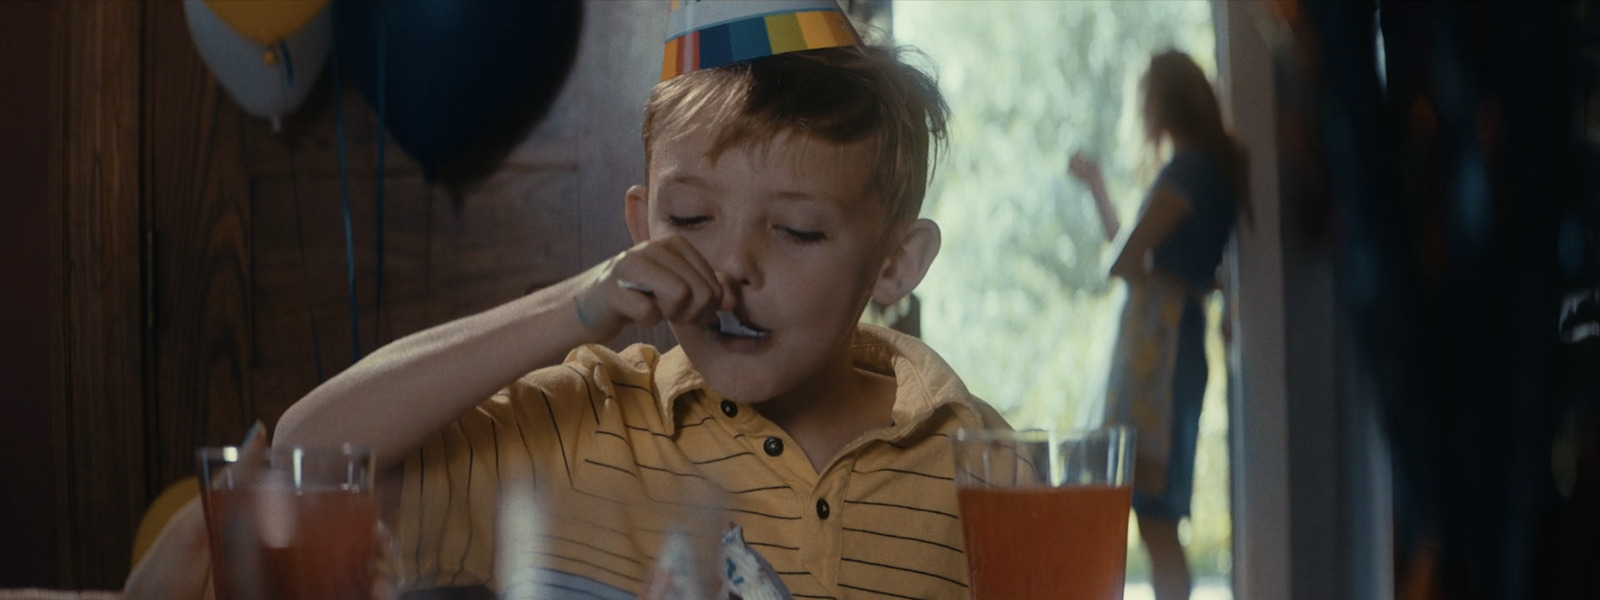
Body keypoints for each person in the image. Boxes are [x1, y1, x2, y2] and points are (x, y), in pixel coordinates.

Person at [248, 6, 998, 600]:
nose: (730, 265)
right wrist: (577, 304)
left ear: (896, 262)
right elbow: (304, 460)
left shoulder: (985, 468)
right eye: (691, 221)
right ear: (640, 228)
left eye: (798, 231)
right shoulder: (583, 426)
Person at [1068, 49, 1251, 600]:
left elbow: (1122, 259)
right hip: (1176, 346)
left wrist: (1128, 245)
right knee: (1152, 514)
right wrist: (1100, 187)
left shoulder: (1188, 171)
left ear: (1160, 105)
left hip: (1158, 354)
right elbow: (1135, 254)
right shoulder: (1213, 171)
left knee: (1143, 513)